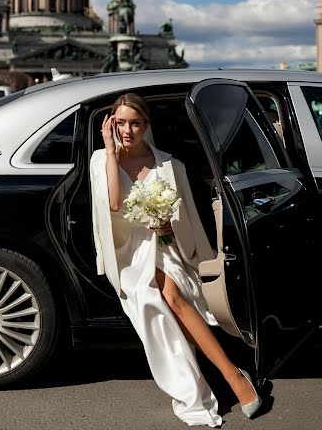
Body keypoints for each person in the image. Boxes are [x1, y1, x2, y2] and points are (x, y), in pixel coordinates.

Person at [90, 93, 262, 427]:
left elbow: (189, 218)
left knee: (170, 296)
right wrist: (110, 149)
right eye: (121, 122)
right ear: (111, 123)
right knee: (161, 297)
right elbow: (113, 204)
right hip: (129, 250)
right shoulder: (102, 159)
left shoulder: (170, 165)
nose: (128, 130)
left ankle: (230, 377)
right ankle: (229, 376)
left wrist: (170, 224)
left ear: (146, 125)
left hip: (167, 246)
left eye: (136, 123)